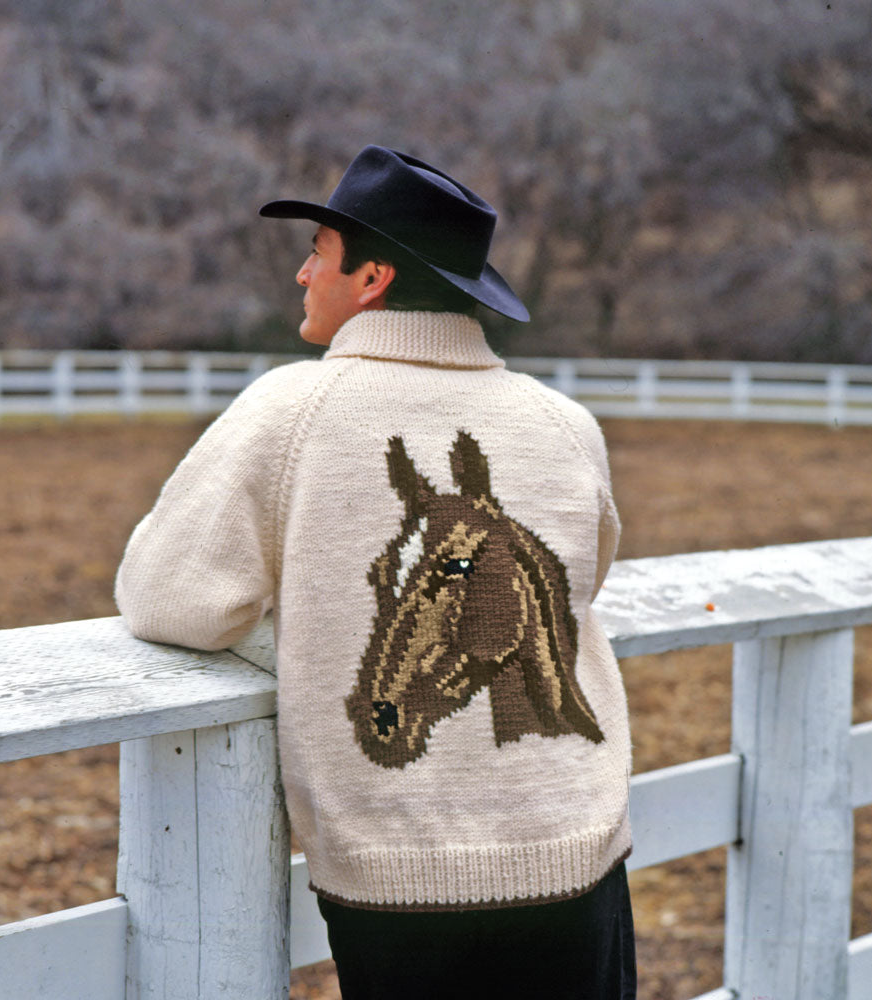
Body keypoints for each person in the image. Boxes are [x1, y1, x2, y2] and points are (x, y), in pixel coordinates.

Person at [115, 145, 636, 999]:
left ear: (372, 280)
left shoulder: (292, 411)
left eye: (317, 252)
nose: (300, 273)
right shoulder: (564, 424)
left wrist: (305, 638)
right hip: (579, 850)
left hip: (400, 880)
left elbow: (170, 599)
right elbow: (583, 582)